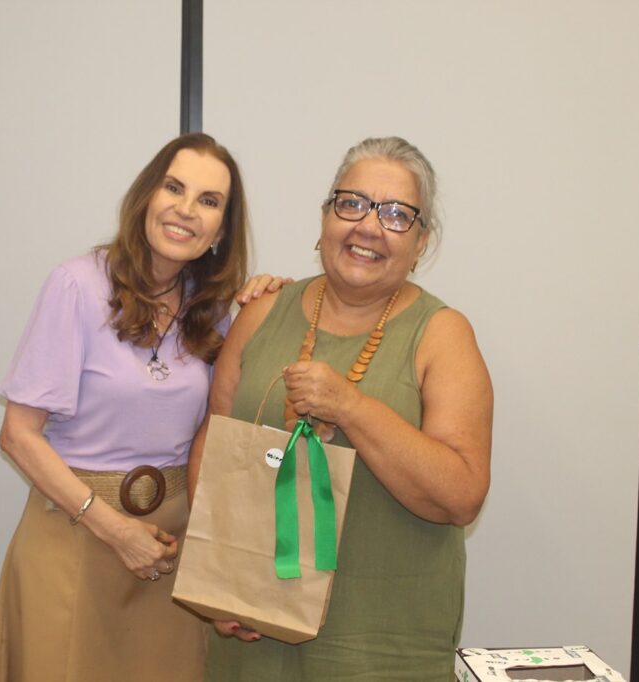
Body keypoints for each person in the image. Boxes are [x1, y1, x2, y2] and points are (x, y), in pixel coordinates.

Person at [189, 136, 494, 680]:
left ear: (421, 242)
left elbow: (461, 496)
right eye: (352, 203)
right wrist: (213, 578)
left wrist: (350, 407)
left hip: (380, 650)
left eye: (397, 214)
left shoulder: (443, 335)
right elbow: (213, 445)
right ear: (326, 217)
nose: (369, 226)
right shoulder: (261, 314)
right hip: (253, 633)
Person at [0, 132, 286, 682]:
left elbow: (235, 430)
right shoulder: (77, 285)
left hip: (169, 554)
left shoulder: (213, 310)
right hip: (74, 535)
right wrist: (115, 530)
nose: (186, 210)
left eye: (208, 201)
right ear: (147, 195)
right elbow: (18, 436)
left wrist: (273, 305)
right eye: (174, 188)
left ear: (221, 230)